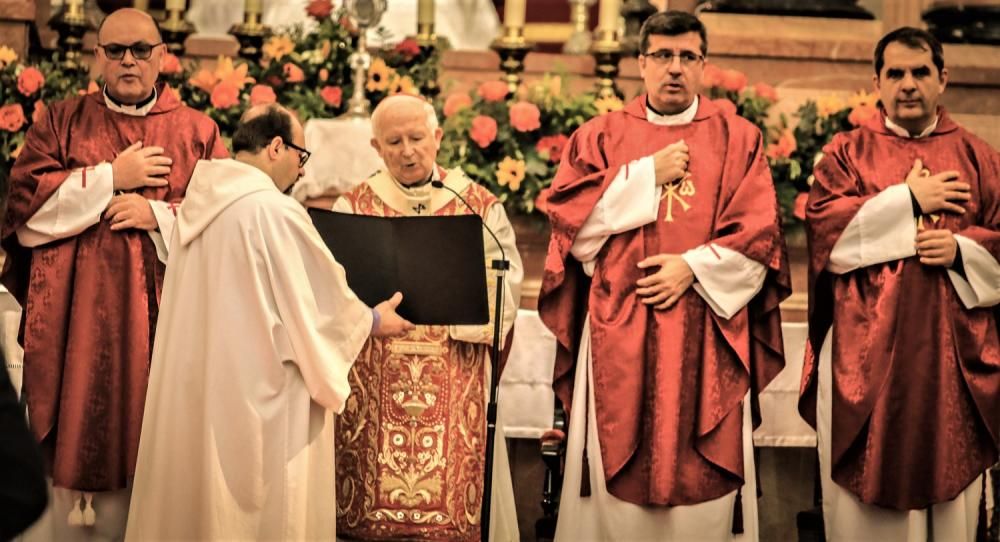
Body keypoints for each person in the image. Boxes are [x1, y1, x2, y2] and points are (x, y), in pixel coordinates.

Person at [537, 11, 790, 541]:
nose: (674, 69)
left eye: (687, 57)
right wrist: (647, 174)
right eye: (662, 57)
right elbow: (573, 236)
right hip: (617, 331)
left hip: (706, 335)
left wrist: (691, 269)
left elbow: (761, 238)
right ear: (641, 63)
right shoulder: (600, 136)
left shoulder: (739, 139)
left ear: (704, 65)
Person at [123, 104, 414, 540]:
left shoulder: (197, 211)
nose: (302, 170)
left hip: (202, 394)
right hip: (260, 412)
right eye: (301, 156)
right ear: (276, 146)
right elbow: (317, 307)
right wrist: (373, 319)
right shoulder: (274, 211)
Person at [1, 7, 227, 538]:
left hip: (161, 323)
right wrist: (110, 178)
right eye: (116, 50)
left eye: (141, 50)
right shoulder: (59, 121)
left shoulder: (197, 132)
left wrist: (157, 215)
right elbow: (23, 215)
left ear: (162, 57)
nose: (129, 60)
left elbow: (226, 225)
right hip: (71, 325)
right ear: (97, 56)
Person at [801, 26, 1000, 541]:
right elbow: (825, 237)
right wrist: (909, 202)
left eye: (920, 72)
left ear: (943, 80)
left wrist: (962, 251)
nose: (908, 84)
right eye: (895, 73)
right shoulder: (846, 153)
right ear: (877, 82)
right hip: (866, 364)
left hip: (952, 368)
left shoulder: (980, 158)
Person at [332, 94, 523, 541]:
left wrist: (461, 318)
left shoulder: (476, 205)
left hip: (454, 374)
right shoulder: (353, 207)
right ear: (376, 148)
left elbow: (506, 282)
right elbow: (329, 293)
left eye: (417, 138)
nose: (407, 150)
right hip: (374, 376)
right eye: (393, 141)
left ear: (437, 138)